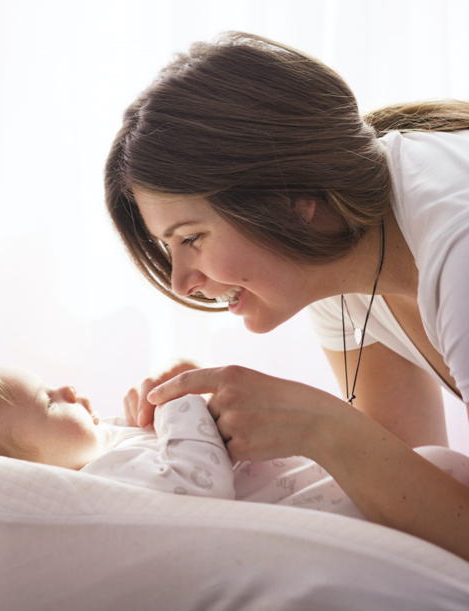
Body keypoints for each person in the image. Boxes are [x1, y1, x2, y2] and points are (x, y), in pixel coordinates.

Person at [103, 31, 469, 559]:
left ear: (294, 199)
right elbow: (412, 478)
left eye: (192, 239)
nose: (181, 281)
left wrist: (319, 424)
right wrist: (207, 427)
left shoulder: (456, 246)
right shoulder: (335, 262)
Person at [0, 362, 469, 519]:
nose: (68, 387)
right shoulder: (101, 484)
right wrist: (182, 406)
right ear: (24, 467)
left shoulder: (116, 455)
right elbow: (198, 487)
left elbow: (175, 464)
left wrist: (153, 423)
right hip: (359, 508)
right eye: (47, 402)